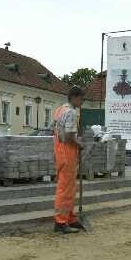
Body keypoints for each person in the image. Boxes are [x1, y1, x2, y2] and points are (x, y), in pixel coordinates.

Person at [52, 86, 85, 234]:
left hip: (60, 150)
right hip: (68, 151)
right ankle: (60, 221)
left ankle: (70, 217)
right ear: (75, 97)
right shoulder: (71, 112)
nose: (82, 102)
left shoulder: (60, 109)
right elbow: (70, 136)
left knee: (70, 187)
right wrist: (80, 144)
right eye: (81, 99)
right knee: (65, 188)